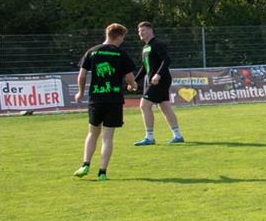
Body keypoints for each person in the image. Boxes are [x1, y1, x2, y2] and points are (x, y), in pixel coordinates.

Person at [73, 23, 138, 180]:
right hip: (114, 99)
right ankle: (102, 172)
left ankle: (85, 164)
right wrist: (133, 85)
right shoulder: (120, 54)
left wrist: (80, 92)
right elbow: (129, 77)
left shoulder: (92, 52)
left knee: (92, 133)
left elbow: (81, 75)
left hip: (96, 98)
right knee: (107, 137)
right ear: (119, 36)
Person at [133, 21, 185, 145]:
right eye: (139, 31)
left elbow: (167, 59)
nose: (140, 33)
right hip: (156, 80)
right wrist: (134, 81)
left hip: (160, 80)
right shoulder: (145, 48)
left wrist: (158, 74)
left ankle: (149, 138)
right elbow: (145, 67)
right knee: (165, 107)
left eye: (143, 30)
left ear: (150, 30)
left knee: (144, 105)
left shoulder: (157, 44)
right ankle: (178, 136)